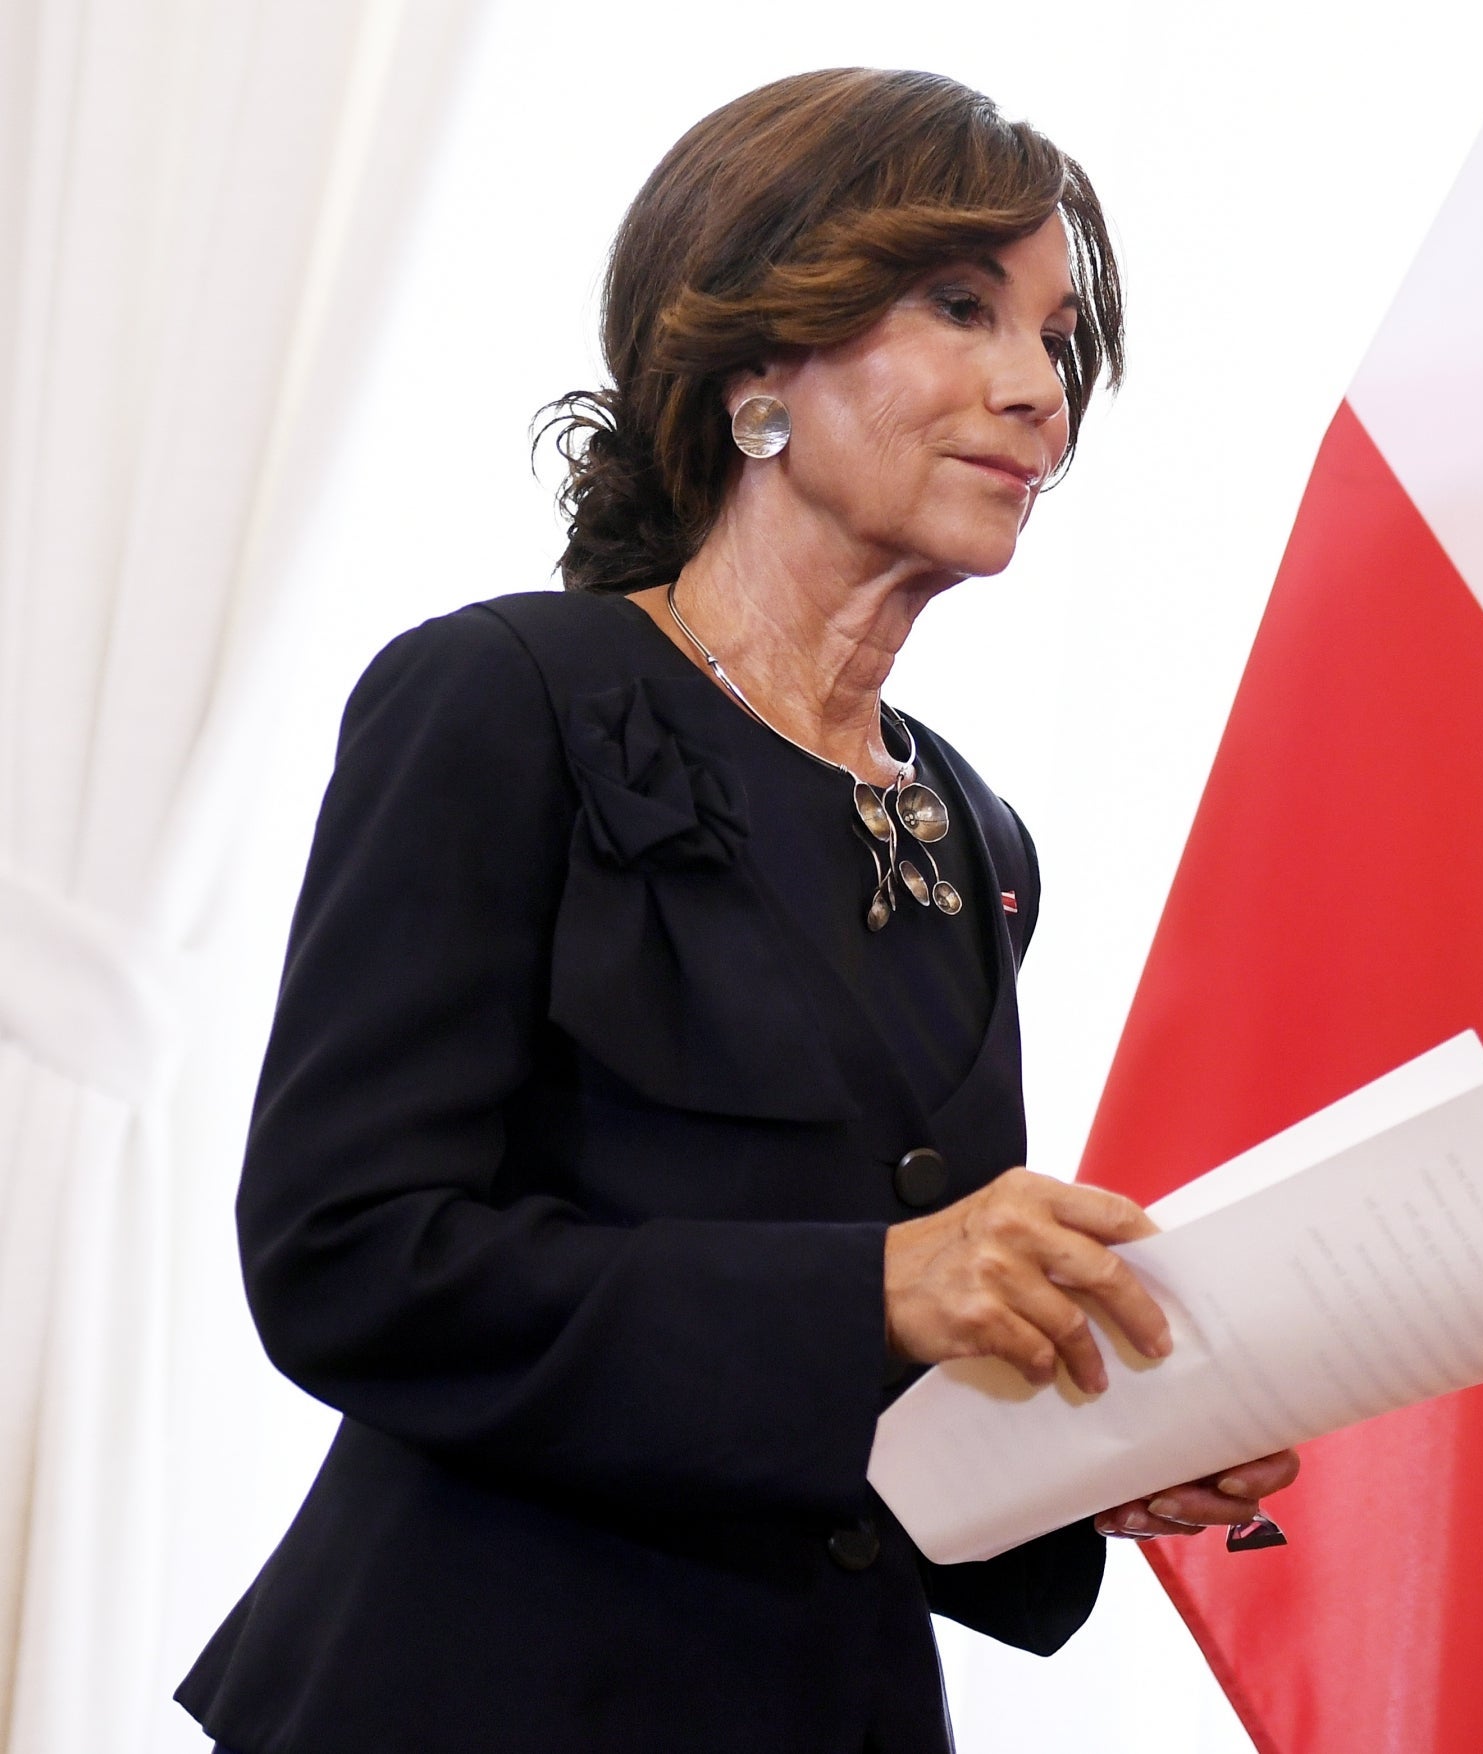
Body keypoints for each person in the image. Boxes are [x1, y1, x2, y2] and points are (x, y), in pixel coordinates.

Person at [176, 68, 1296, 1754]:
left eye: (1060, 339)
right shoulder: (502, 701)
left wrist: (1106, 1446)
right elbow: (347, 1260)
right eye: (961, 305)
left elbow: (883, 1381)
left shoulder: (978, 832)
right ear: (759, 358)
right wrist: (885, 1291)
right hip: (474, 1695)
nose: (1038, 393)